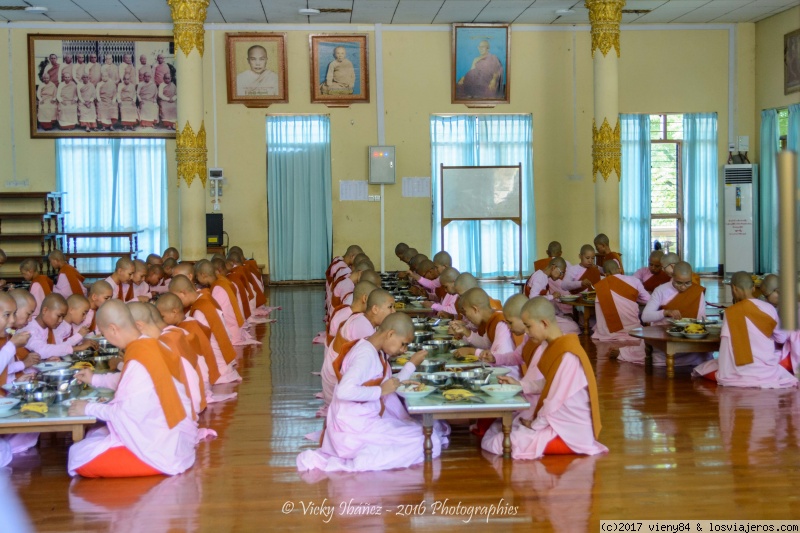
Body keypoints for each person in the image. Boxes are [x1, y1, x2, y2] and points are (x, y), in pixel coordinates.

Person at [297, 313, 444, 472]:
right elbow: (344, 391)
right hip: (352, 430)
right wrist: (381, 390)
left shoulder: (374, 348)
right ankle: (365, 459)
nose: (404, 350)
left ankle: (371, 453)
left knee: (430, 429)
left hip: (360, 423)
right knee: (431, 441)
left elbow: (387, 384)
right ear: (390, 334)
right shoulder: (365, 355)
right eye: (403, 344)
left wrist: (411, 365)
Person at [67, 300, 197, 478]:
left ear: (113, 329)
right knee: (95, 433)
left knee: (77, 455)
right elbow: (129, 379)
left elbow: (124, 414)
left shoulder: (137, 358)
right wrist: (95, 379)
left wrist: (87, 407)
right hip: (176, 437)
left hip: (161, 449)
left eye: (105, 334)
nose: (107, 339)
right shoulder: (153, 344)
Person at [481, 297, 608, 459]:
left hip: (568, 432)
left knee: (495, 442)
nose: (525, 332)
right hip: (554, 422)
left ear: (544, 323)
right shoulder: (550, 345)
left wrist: (534, 425)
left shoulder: (567, 354)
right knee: (497, 429)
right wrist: (520, 385)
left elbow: (553, 401)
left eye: (528, 326)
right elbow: (548, 384)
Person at [693, 272, 798, 388]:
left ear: (734, 288)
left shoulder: (731, 312)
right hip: (766, 370)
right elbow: (781, 338)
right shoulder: (770, 309)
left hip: (738, 370)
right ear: (753, 287)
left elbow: (725, 347)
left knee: (703, 368)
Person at [321, 289, 396, 408]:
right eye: (390, 307)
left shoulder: (363, 319)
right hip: (337, 387)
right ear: (375, 309)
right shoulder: (362, 325)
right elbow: (376, 358)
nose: (394, 312)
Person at [128, 302, 204, 416]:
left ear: (138, 326)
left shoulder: (163, 344)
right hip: (194, 403)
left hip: (184, 412)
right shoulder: (174, 334)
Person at [170, 275, 241, 385]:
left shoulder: (200, 310)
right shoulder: (206, 297)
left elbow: (201, 344)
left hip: (218, 366)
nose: (174, 302)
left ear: (183, 293)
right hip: (225, 360)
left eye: (175, 298)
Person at [641, 261, 711, 367]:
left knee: (704, 355)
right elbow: (645, 317)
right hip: (665, 339)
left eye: (687, 283)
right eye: (679, 283)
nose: (683, 287)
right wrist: (665, 312)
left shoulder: (696, 291)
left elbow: (701, 318)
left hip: (689, 340)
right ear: (672, 276)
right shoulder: (661, 290)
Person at [0, 293, 39, 467]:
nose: (12, 321)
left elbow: (4, 370)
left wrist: (17, 381)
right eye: (7, 315)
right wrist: (12, 346)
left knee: (34, 425)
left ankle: (6, 447)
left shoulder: (5, 337)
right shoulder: (8, 342)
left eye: (14, 314)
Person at [592, 260, 650, 363]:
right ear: (619, 269)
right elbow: (647, 299)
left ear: (606, 274)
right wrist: (633, 298)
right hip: (633, 329)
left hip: (609, 332)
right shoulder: (634, 281)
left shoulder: (602, 286)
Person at [450, 288, 517, 377]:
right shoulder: (490, 320)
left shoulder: (501, 323)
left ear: (475, 309)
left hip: (509, 377)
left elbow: (499, 356)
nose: (466, 317)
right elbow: (485, 344)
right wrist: (465, 331)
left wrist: (472, 351)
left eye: (465, 312)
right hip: (497, 373)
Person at [21, 293, 96, 359]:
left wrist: (50, 359)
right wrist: (78, 348)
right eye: (59, 316)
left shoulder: (48, 327)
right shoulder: (30, 328)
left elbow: (55, 349)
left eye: (63, 317)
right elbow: (41, 351)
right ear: (45, 310)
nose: (60, 321)